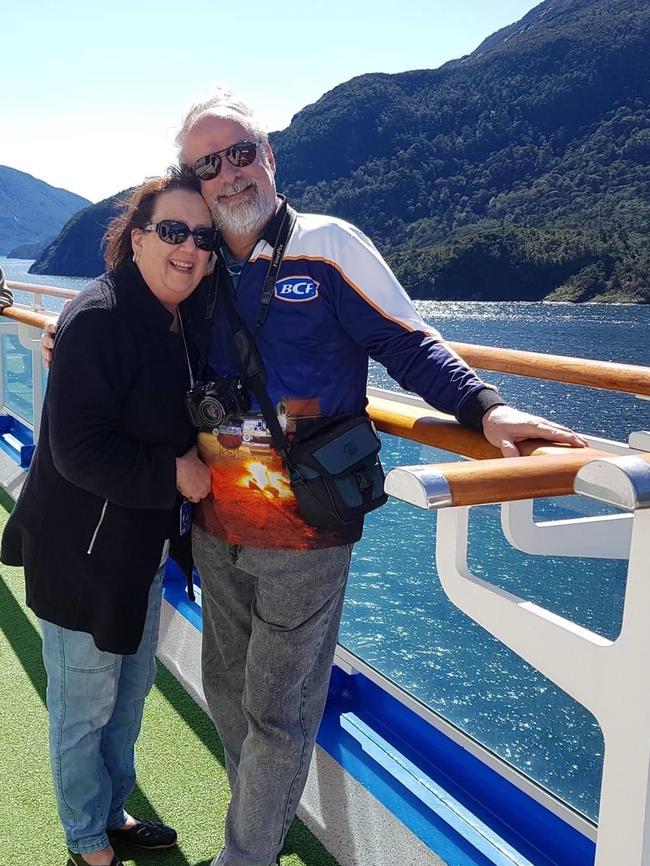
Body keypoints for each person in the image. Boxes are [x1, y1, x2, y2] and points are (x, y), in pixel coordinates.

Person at [42, 86, 586, 866]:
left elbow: (407, 341)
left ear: (269, 156)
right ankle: (251, 831)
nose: (228, 173)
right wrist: (77, 340)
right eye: (208, 162)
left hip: (307, 526)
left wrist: (486, 408)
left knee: (278, 714)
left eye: (241, 153)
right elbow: (144, 334)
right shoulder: (199, 265)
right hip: (214, 523)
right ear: (192, 178)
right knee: (229, 693)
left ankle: (245, 855)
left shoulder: (330, 245)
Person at [2, 171, 212, 866]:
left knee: (127, 698)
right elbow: (79, 449)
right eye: (173, 231)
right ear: (138, 235)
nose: (189, 248)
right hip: (81, 551)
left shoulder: (180, 314)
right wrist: (175, 474)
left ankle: (111, 809)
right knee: (84, 706)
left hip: (139, 548)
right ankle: (84, 838)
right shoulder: (99, 316)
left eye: (202, 237)